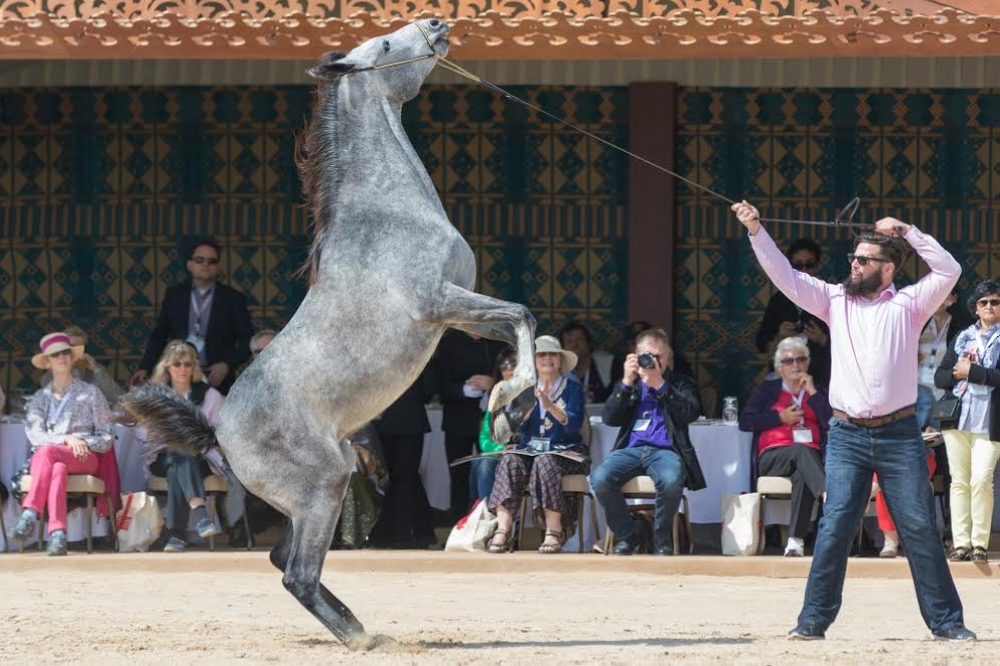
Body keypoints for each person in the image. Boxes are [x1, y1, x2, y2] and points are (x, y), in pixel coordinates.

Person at [732, 199, 974, 642]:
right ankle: (813, 620)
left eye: (864, 259)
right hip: (846, 433)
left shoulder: (910, 303)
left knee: (919, 526)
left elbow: (950, 270)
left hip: (900, 434)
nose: (855, 264)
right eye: (854, 258)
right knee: (836, 523)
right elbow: (784, 277)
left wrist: (906, 231)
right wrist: (755, 231)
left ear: (888, 268)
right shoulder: (833, 300)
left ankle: (947, 622)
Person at [590, 327, 704, 556]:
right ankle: (627, 536)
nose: (653, 361)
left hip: (665, 451)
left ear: (669, 359)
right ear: (635, 356)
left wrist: (661, 385)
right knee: (600, 478)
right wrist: (625, 382)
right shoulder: (630, 383)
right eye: (647, 355)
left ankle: (660, 539)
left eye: (659, 356)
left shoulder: (681, 383)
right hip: (631, 450)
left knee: (671, 480)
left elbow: (691, 412)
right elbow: (610, 418)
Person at [12, 332, 120, 556]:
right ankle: (58, 533)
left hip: (84, 456)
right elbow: (34, 434)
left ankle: (30, 512)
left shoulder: (91, 392)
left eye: (65, 352)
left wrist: (81, 441)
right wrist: (65, 439)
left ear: (72, 358)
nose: (61, 357)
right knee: (56, 467)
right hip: (54, 457)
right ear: (47, 362)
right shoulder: (39, 398)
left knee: (47, 452)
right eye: (55, 354)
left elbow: (107, 435)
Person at [486, 335, 586, 554]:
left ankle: (554, 529)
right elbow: (511, 431)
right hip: (530, 451)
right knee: (511, 460)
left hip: (565, 453)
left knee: (546, 461)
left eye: (552, 355)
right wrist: (519, 416)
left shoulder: (572, 387)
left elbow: (574, 425)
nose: (547, 359)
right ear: (534, 361)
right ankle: (503, 529)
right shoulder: (525, 389)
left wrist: (550, 406)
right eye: (541, 355)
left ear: (560, 360)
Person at [739, 336, 830, 557]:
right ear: (779, 367)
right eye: (789, 361)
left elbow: (830, 423)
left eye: (800, 359)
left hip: (809, 458)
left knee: (803, 472)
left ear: (808, 364)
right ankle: (829, 494)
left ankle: (795, 541)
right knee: (801, 451)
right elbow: (746, 421)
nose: (796, 365)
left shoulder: (815, 390)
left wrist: (813, 394)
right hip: (774, 456)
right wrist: (779, 418)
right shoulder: (768, 390)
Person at [131, 239, 253, 395]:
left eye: (212, 261)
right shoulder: (174, 295)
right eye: (199, 260)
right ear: (190, 264)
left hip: (216, 377)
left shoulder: (233, 298)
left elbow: (247, 339)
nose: (206, 265)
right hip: (180, 375)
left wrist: (227, 365)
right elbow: (159, 335)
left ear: (219, 267)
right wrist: (145, 367)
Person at [934, 278, 1000, 564]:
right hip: (958, 418)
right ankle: (961, 543)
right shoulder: (962, 337)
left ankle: (979, 543)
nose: (989, 307)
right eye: (983, 302)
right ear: (975, 307)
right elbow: (940, 377)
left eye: (995, 302)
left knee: (982, 480)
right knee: (959, 482)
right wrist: (958, 374)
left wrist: (974, 372)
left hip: (990, 419)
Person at [145, 339, 225, 552]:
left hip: (201, 458)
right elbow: (143, 432)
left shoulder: (210, 395)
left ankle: (177, 535)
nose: (182, 369)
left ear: (194, 367)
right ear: (167, 366)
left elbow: (218, 433)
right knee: (178, 454)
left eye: (187, 364)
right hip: (161, 457)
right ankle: (200, 514)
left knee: (178, 463)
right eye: (177, 364)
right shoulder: (155, 396)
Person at [434, 330, 507, 524]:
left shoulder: (497, 342)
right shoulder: (450, 343)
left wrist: (493, 384)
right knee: (459, 475)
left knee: (490, 471)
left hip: (492, 421)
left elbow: (513, 377)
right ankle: (459, 526)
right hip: (458, 418)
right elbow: (439, 384)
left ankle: (492, 524)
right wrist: (462, 390)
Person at [371, 368, 438, 549]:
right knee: (404, 477)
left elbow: (429, 391)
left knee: (401, 477)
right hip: (401, 419)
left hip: (393, 420)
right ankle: (417, 531)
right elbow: (428, 391)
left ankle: (402, 532)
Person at [756, 238, 831, 388]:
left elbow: (851, 345)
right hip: (784, 385)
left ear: (818, 266)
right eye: (798, 266)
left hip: (821, 383)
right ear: (790, 267)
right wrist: (780, 337)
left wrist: (823, 339)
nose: (803, 271)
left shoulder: (829, 298)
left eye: (809, 265)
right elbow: (761, 345)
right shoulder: (778, 301)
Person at [471, 347, 517, 505]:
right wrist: (500, 449)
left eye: (513, 362)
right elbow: (484, 437)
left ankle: (487, 517)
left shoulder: (533, 395)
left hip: (521, 455)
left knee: (484, 464)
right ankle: (480, 516)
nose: (509, 367)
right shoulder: (497, 398)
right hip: (503, 454)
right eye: (503, 365)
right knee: (477, 461)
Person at [40, 325, 125, 405]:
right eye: (72, 347)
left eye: (81, 348)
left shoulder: (96, 370)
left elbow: (121, 398)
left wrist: (96, 370)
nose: (78, 352)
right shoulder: (52, 374)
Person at [559, 320, 613, 403]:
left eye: (579, 340)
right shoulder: (557, 369)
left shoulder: (609, 364)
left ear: (588, 344)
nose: (574, 345)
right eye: (569, 341)